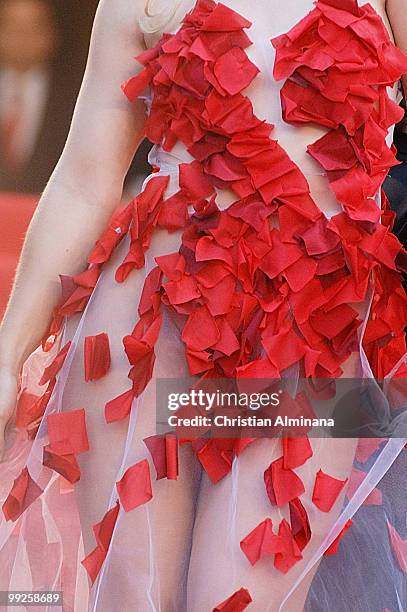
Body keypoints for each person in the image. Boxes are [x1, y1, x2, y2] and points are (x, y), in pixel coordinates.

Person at [0, 0, 406, 610]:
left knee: (246, 594)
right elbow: (84, 183)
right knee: (135, 600)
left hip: (314, 340)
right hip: (146, 333)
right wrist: (8, 356)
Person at [0, 0, 76, 193]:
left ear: (50, 34)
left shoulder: (74, 99)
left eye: (32, 27)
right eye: (13, 27)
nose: (22, 38)